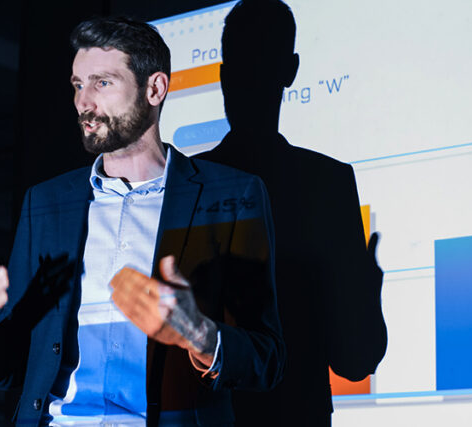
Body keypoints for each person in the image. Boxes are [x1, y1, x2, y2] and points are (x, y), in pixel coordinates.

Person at [0, 16, 283, 426]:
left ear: (154, 89)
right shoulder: (47, 203)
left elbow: (266, 360)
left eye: (102, 83)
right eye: (77, 85)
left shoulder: (230, 195)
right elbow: (20, 367)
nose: (82, 102)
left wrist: (200, 335)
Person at [196, 1, 386, 425]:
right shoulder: (328, 185)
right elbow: (355, 360)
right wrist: (366, 287)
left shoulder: (188, 188)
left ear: (224, 75)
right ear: (291, 71)